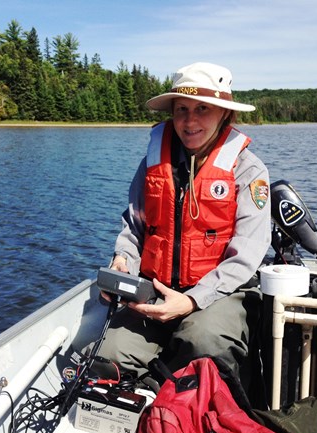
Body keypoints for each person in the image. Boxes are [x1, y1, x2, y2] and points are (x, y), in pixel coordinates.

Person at [98, 62, 271, 387]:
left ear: (225, 114)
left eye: (202, 109)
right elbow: (134, 228)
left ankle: (185, 398)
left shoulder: (249, 170)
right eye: (182, 110)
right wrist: (122, 262)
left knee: (205, 344)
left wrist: (190, 301)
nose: (190, 121)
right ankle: (156, 392)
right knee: (108, 356)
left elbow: (245, 257)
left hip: (217, 294)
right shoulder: (152, 163)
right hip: (155, 290)